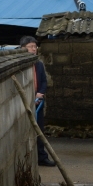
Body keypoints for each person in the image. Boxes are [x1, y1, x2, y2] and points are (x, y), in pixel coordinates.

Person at [20, 36, 55, 167]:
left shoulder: (39, 64)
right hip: (25, 104)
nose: (34, 49)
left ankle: (41, 157)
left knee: (39, 130)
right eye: (31, 47)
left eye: (35, 47)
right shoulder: (21, 66)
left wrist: (40, 93)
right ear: (23, 48)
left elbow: (44, 81)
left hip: (38, 102)